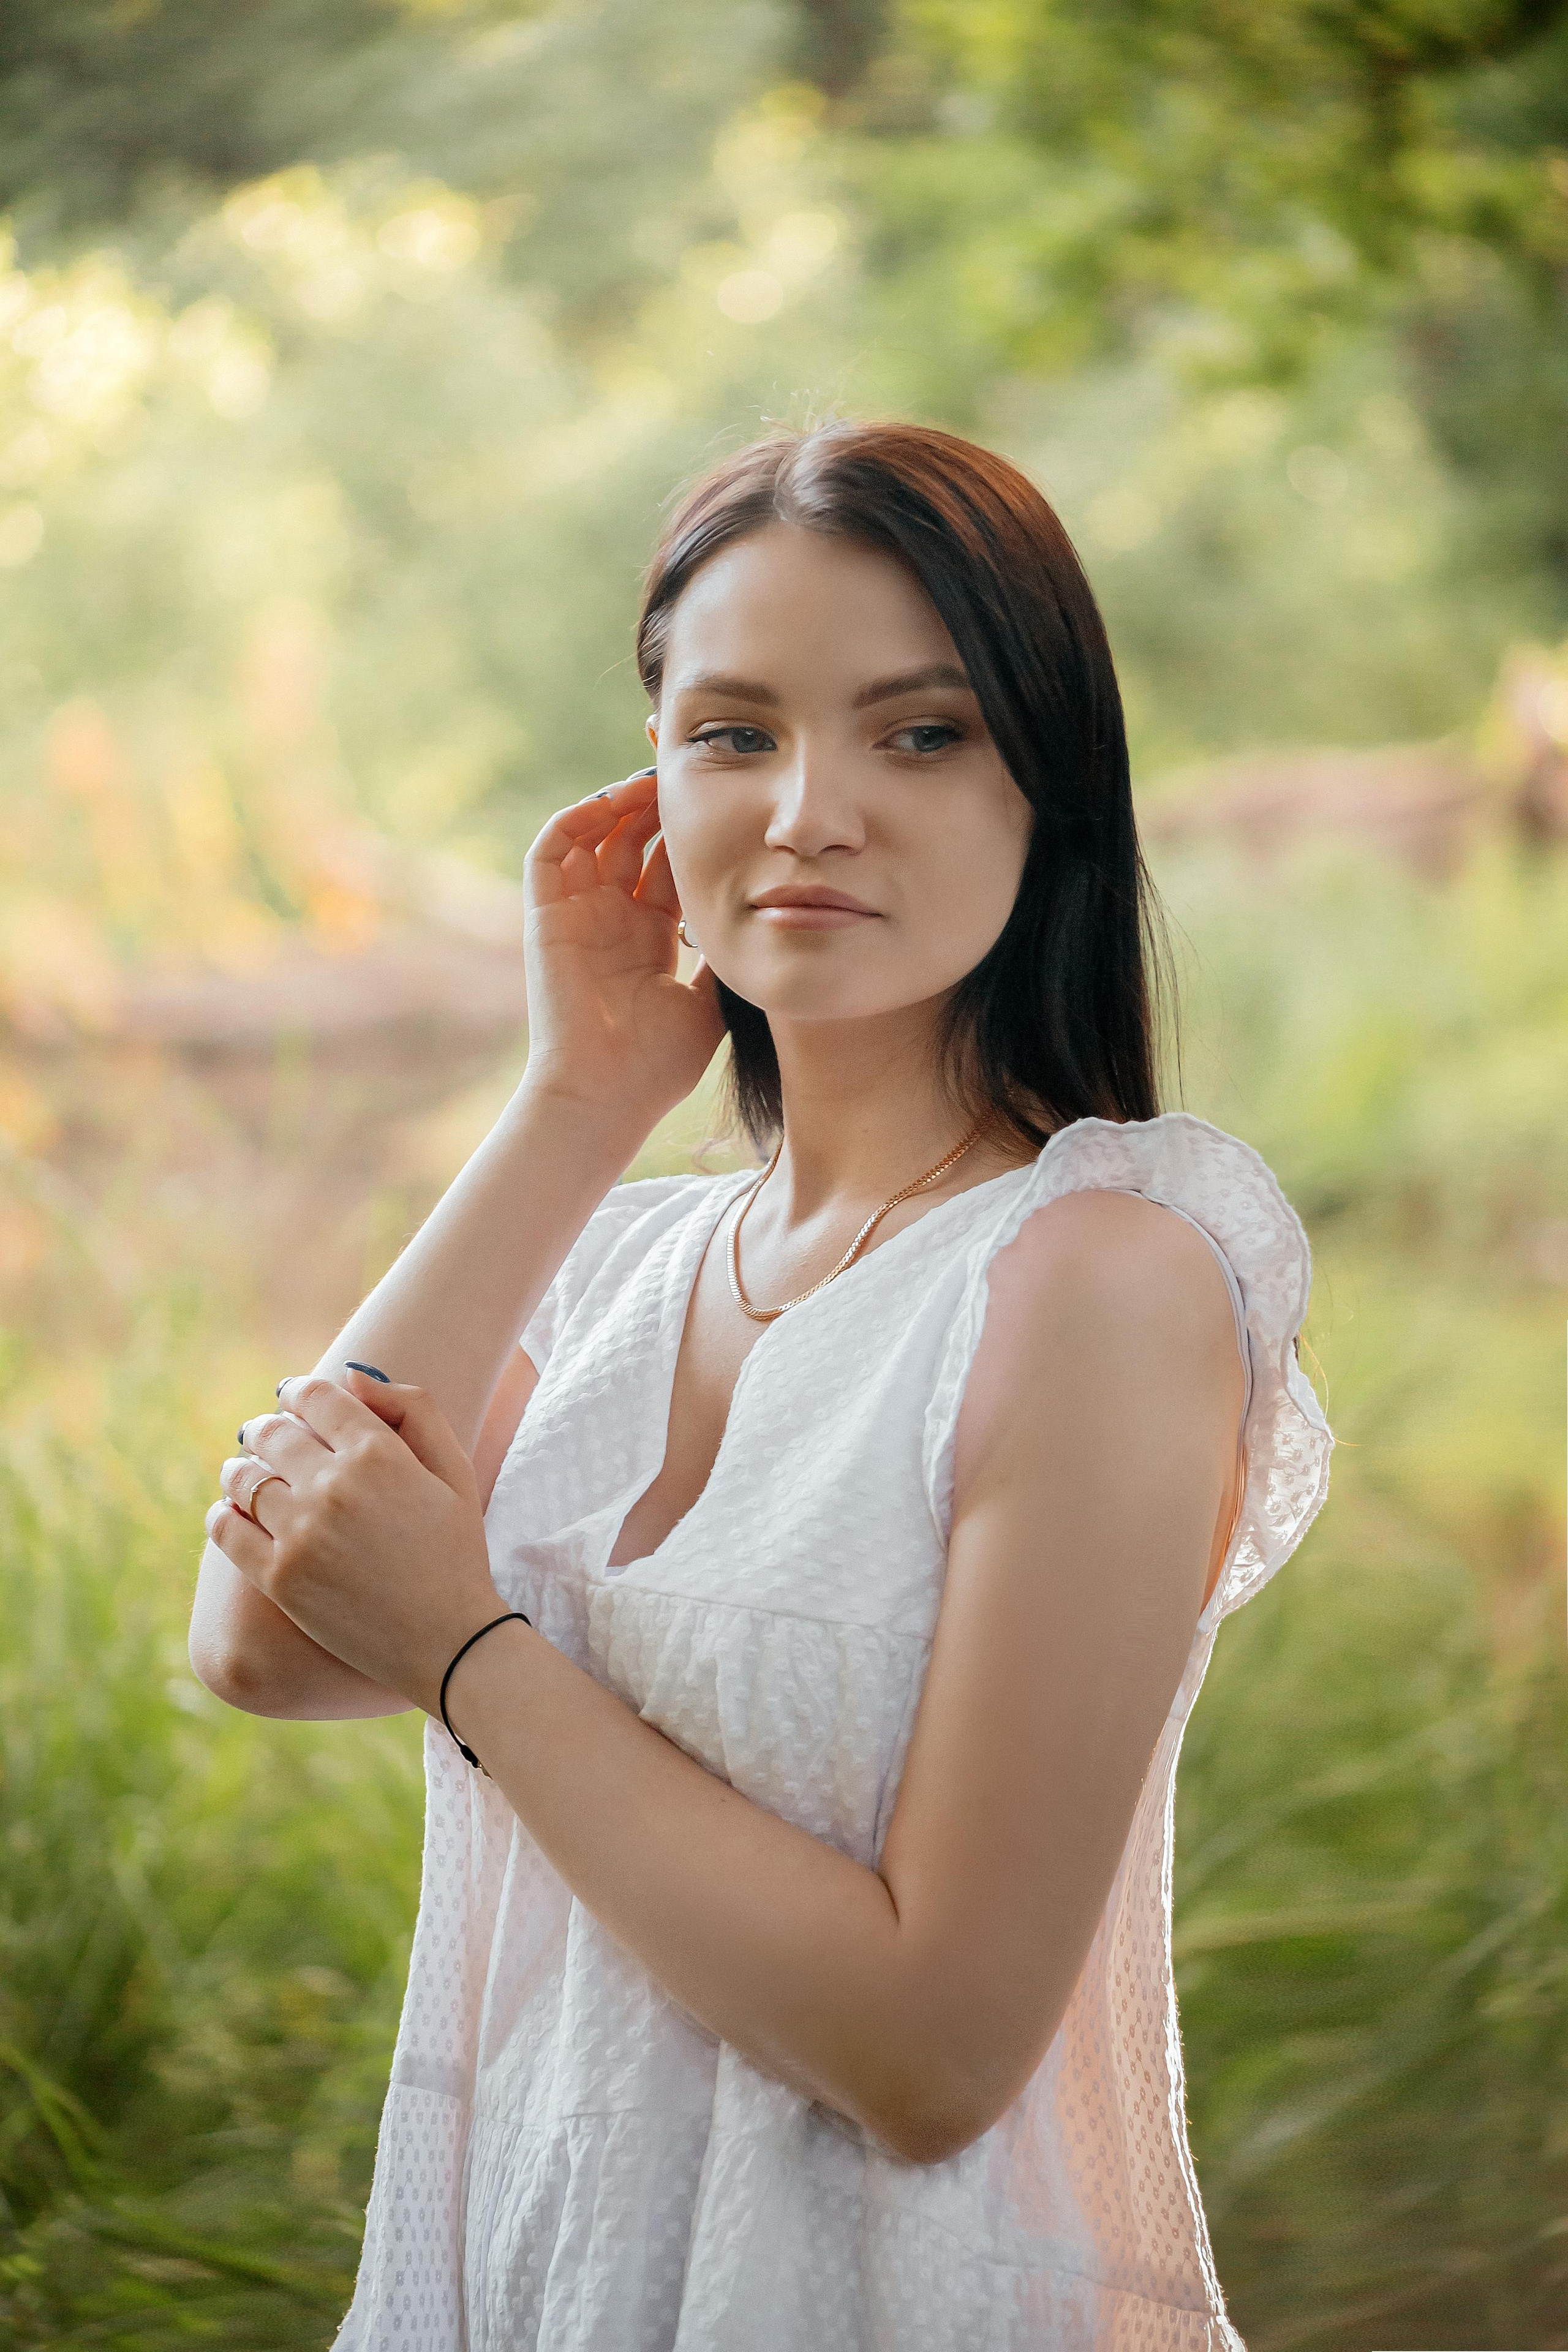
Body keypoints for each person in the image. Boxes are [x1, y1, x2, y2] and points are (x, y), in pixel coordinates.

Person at [189, 418, 1335, 2351]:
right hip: (543, 2282)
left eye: (919, 733)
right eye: (734, 733)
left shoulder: (1098, 1277)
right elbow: (257, 1633)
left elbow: (933, 2049)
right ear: (651, 783)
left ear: (1051, 790)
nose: (809, 810)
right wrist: (571, 1099)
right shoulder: (628, 1256)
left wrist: (470, 1652)